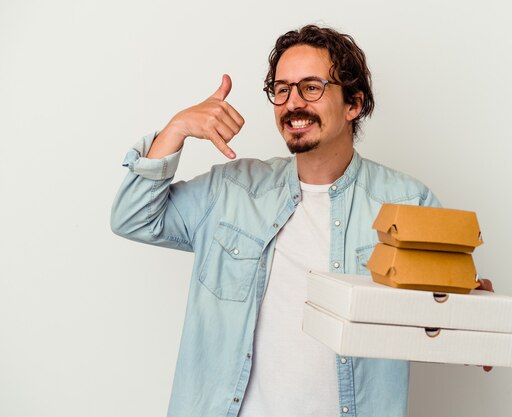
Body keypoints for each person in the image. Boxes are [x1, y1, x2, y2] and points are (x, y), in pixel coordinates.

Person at [111, 24, 491, 417]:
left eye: (311, 87)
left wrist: (473, 318)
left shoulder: (409, 203)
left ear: (353, 104)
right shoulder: (231, 190)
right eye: (282, 89)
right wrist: (176, 129)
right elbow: (134, 217)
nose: (293, 103)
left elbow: (446, 315)